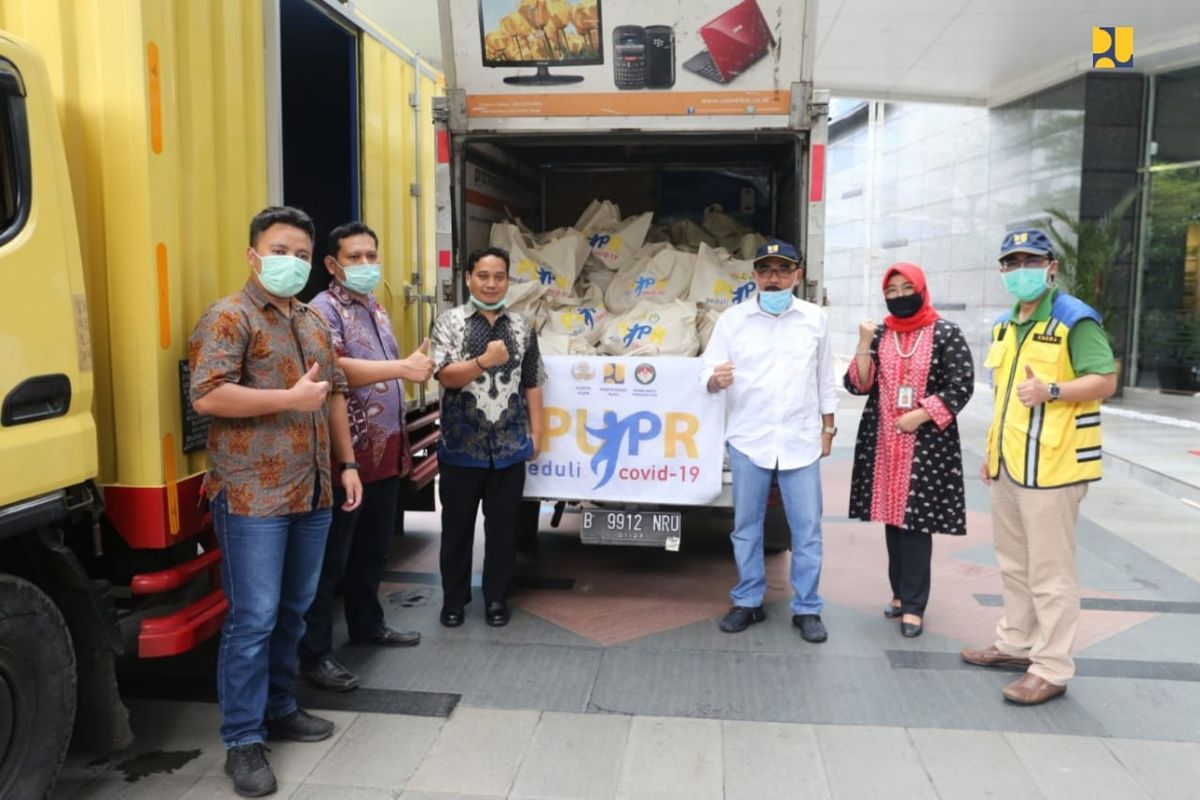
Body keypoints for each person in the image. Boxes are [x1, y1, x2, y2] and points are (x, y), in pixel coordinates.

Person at [189, 206, 363, 797]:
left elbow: (334, 393)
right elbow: (208, 396)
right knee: (253, 619)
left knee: (296, 607)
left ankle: (283, 706)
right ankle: (242, 740)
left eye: (300, 254)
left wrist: (346, 465)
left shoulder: (313, 320)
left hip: (312, 489)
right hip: (251, 496)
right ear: (253, 255)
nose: (291, 262)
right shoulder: (229, 317)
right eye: (279, 250)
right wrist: (286, 400)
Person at [961, 228, 1117, 706]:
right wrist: (993, 452)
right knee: (1013, 564)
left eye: (1030, 261)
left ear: (1051, 267)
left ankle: (1051, 667)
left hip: (1055, 467)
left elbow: (1105, 380)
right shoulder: (1006, 326)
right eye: (1011, 263)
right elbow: (1007, 398)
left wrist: (1053, 390)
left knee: (1051, 573)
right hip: (1012, 465)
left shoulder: (1075, 319)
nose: (1020, 271)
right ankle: (1015, 643)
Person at [299, 222, 436, 692]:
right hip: (346, 458)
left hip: (382, 454)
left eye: (370, 256)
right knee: (330, 559)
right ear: (333, 265)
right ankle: (315, 653)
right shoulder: (322, 310)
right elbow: (334, 369)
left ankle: (367, 623)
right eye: (354, 258)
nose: (365, 265)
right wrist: (401, 368)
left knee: (372, 549)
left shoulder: (376, 307)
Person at [701, 238, 838, 643]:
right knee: (746, 526)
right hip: (749, 437)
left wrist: (827, 428)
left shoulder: (815, 319)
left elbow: (824, 379)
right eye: (765, 271)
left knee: (807, 528)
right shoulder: (732, 321)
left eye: (782, 270)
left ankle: (808, 608)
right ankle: (748, 600)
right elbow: (706, 370)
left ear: (797, 275)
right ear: (754, 276)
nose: (773, 279)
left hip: (799, 438)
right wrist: (714, 379)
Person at [845, 263, 975, 638]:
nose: (900, 296)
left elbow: (961, 385)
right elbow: (858, 384)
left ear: (922, 288)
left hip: (926, 443)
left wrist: (920, 415)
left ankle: (915, 607)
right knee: (892, 519)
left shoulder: (945, 333)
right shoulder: (881, 333)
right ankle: (900, 594)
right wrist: (863, 345)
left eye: (907, 288)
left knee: (915, 523)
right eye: (893, 290)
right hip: (883, 441)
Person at [430, 246, 546, 628]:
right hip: (461, 447)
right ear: (468, 278)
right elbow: (445, 376)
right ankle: (454, 601)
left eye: (499, 277)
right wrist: (483, 361)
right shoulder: (449, 322)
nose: (491, 284)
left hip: (510, 447)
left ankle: (497, 598)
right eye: (483, 275)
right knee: (457, 531)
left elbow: (532, 382)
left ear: (508, 281)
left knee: (503, 532)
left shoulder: (522, 325)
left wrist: (537, 433)